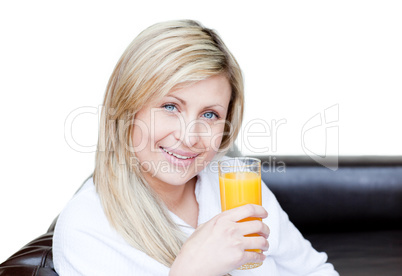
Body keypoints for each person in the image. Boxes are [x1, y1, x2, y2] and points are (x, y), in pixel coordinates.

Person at [53, 20, 338, 276]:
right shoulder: (85, 228)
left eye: (210, 114)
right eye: (169, 106)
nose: (190, 137)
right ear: (127, 110)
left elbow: (314, 270)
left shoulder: (236, 185)